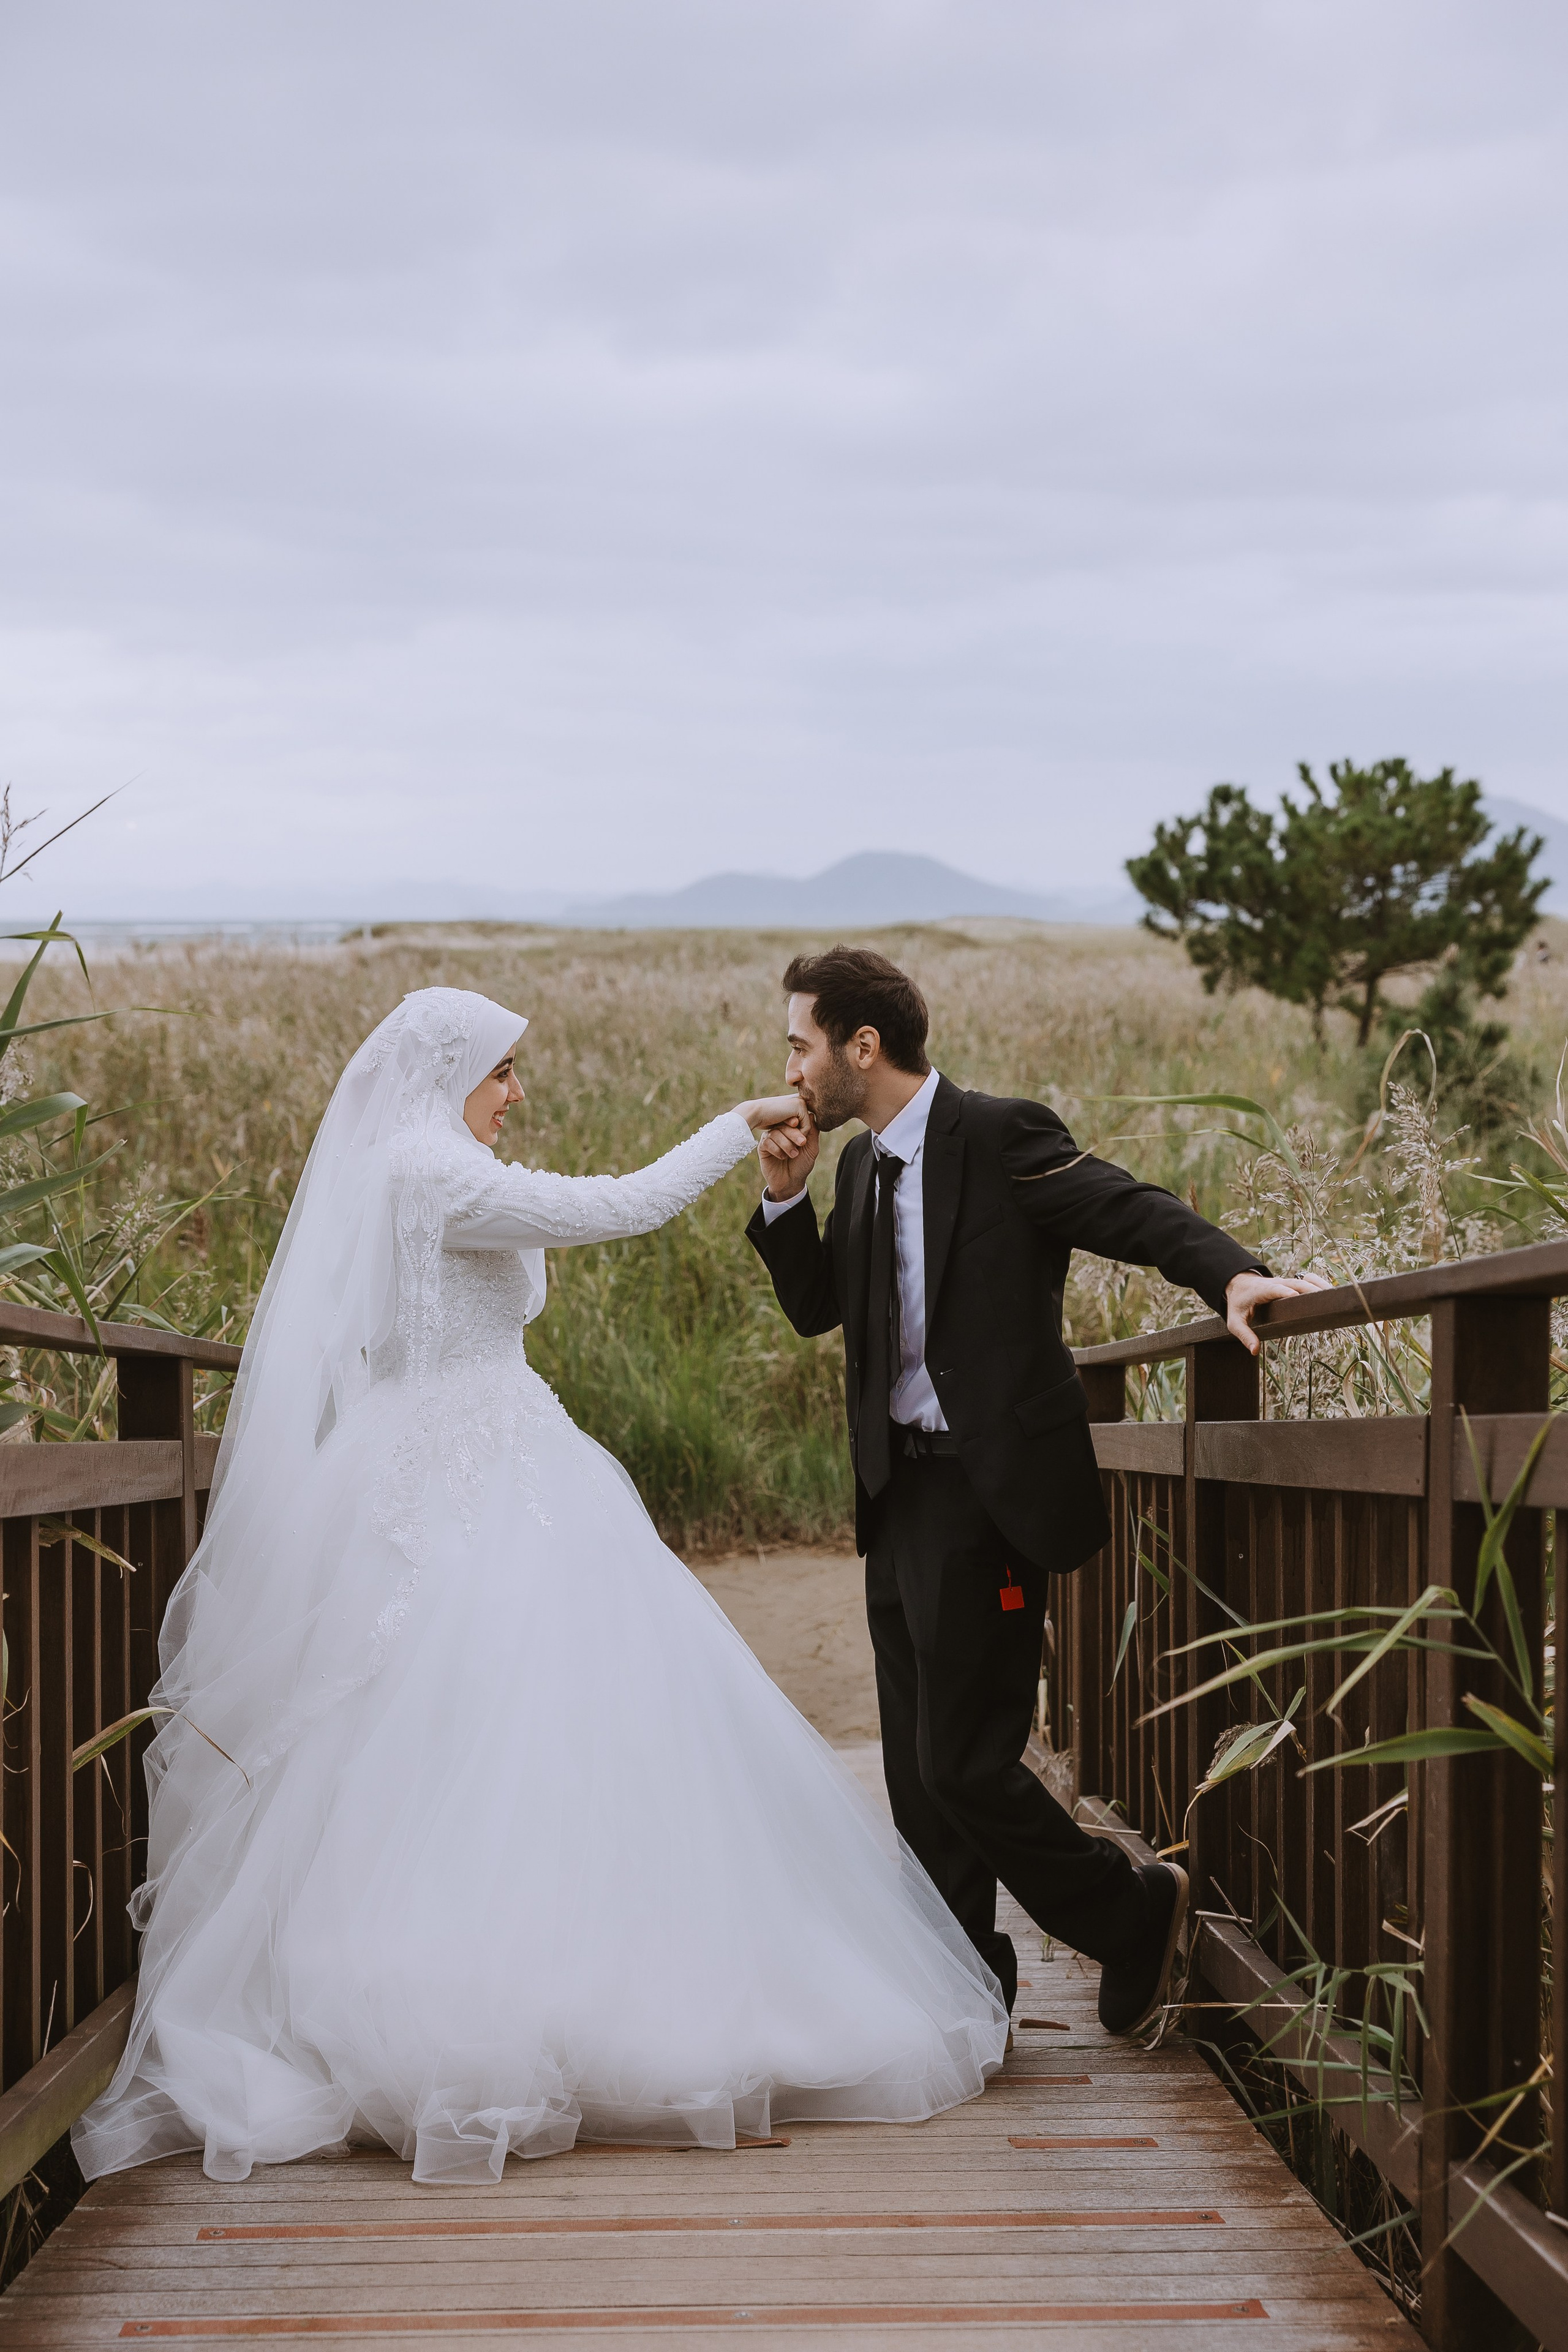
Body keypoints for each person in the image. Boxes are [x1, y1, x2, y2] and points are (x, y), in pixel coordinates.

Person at [74, 986, 1007, 2188]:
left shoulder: (429, 1167)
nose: (517, 1093)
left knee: (510, 1722)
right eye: (502, 1070)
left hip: (486, 1454)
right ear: (450, 1072)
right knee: (475, 1712)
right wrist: (739, 1125)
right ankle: (470, 2003)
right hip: (459, 1477)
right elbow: (616, 1206)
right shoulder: (430, 1173)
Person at [747, 946, 1324, 2034]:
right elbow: (821, 1308)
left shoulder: (998, 1134)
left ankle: (1132, 1910)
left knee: (965, 1763)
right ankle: (971, 1993)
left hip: (990, 1495)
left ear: (862, 1047)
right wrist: (786, 1201)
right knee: (920, 1780)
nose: (789, 1068)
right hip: (897, 1497)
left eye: (800, 1045)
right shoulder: (859, 1168)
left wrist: (1231, 1271)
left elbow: (1123, 1207)